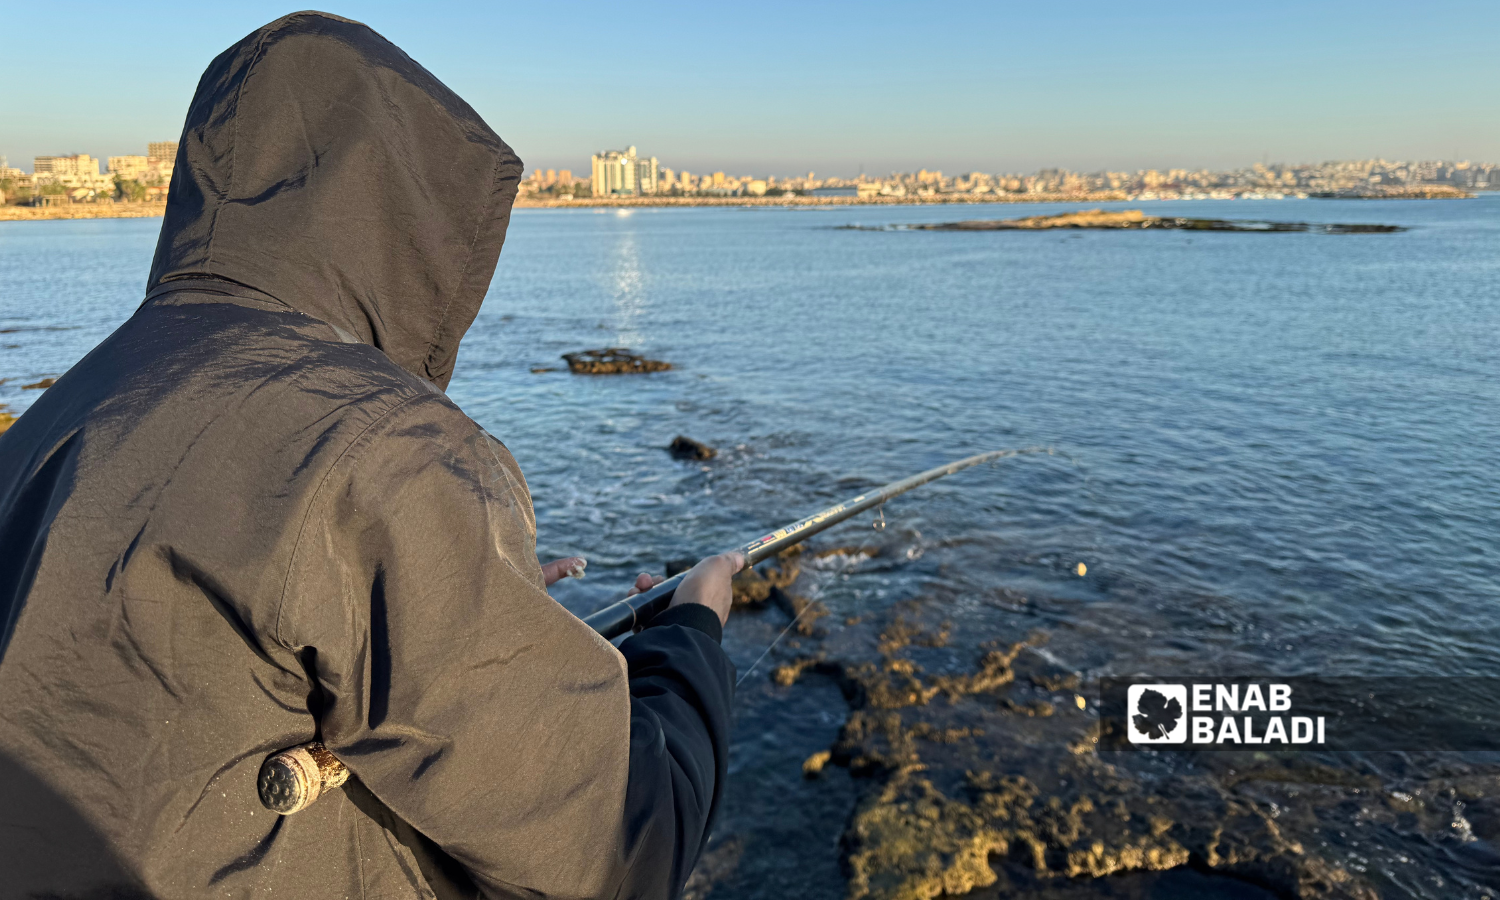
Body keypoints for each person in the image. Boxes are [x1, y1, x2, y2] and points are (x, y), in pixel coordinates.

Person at [0, 12, 739, 900]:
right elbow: (621, 850)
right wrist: (695, 633)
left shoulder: (72, 405)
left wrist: (461, 604)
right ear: (410, 216)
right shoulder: (379, 447)